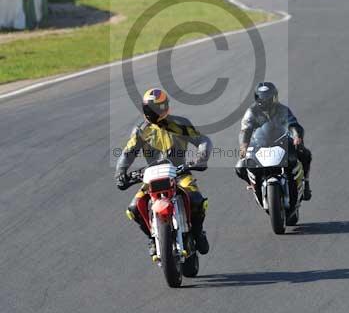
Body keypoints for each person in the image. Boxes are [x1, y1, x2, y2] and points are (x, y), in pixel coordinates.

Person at [114, 88, 212, 256]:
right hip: (152, 178)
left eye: (159, 107)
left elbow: (203, 140)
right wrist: (121, 173)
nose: (155, 112)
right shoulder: (140, 131)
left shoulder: (181, 124)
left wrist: (201, 157)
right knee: (134, 209)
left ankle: (198, 232)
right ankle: (152, 238)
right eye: (151, 108)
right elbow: (127, 153)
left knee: (196, 199)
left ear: (166, 107)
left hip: (180, 173)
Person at [236, 82, 312, 201]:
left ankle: (306, 183)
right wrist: (244, 145)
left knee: (304, 153)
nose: (266, 101)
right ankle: (253, 183)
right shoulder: (251, 112)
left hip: (282, 141)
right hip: (259, 144)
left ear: (275, 97)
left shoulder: (283, 110)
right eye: (263, 98)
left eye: (269, 98)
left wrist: (297, 137)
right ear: (257, 99)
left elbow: (293, 124)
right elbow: (245, 130)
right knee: (240, 166)